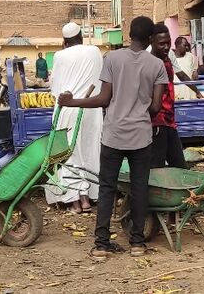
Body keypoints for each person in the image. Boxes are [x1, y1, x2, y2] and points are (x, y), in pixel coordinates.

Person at [58, 16, 166, 260]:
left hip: (113, 136)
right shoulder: (156, 65)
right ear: (150, 38)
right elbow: (156, 107)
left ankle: (101, 245)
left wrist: (72, 101)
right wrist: (140, 105)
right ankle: (137, 243)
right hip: (141, 137)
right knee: (139, 189)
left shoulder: (112, 59)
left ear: (129, 34)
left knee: (107, 188)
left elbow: (103, 99)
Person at [44, 22, 104, 214]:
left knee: (68, 153)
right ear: (81, 37)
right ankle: (88, 197)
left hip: (68, 108)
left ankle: (74, 201)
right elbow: (100, 80)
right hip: (91, 109)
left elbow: (56, 88)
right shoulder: (94, 51)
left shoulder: (60, 55)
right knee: (89, 150)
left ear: (64, 41)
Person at [150, 23, 186, 169]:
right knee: (156, 167)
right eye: (161, 44)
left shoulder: (167, 60)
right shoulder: (149, 63)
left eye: (168, 43)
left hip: (169, 120)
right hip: (156, 122)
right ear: (151, 41)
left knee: (179, 166)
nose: (166, 47)